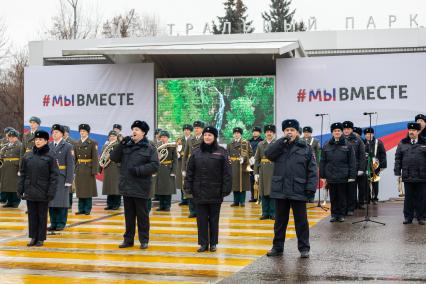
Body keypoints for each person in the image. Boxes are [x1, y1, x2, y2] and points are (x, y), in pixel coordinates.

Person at [265, 119, 317, 259]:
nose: (289, 132)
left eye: (292, 130)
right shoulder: (279, 146)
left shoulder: (305, 147)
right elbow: (268, 155)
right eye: (287, 130)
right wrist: (280, 143)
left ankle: (304, 248)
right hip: (280, 189)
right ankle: (277, 247)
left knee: (301, 221)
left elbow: (312, 170)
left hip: (298, 189)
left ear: (297, 132)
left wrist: (311, 189)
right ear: (283, 132)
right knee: (280, 222)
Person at [110, 120, 159, 249]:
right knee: (129, 215)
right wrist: (121, 144)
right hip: (126, 185)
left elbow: (154, 166)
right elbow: (114, 158)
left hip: (141, 186)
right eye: (133, 129)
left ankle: (144, 240)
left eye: (137, 129)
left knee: (142, 215)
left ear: (143, 133)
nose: (134, 131)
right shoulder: (126, 145)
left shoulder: (150, 147)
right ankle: (128, 240)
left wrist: (138, 170)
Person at [185, 126, 232, 252]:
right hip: (198, 191)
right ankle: (203, 243)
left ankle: (213, 243)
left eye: (210, 135)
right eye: (205, 135)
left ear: (214, 137)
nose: (207, 137)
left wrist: (226, 188)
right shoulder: (196, 152)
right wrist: (188, 187)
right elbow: (190, 171)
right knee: (201, 219)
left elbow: (227, 172)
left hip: (216, 191)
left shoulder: (221, 152)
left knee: (214, 218)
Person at [18, 130, 58, 247]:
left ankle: (40, 238)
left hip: (43, 190)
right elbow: (23, 173)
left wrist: (51, 191)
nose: (38, 141)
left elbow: (54, 176)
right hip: (30, 189)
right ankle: (33, 237)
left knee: (42, 215)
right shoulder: (28, 155)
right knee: (32, 215)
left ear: (46, 141)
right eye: (36, 139)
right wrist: (20, 188)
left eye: (40, 140)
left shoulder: (50, 156)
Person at [320, 122, 357, 222]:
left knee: (342, 196)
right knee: (333, 196)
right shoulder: (326, 145)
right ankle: (334, 214)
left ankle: (341, 215)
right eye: (335, 131)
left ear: (341, 132)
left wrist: (352, 176)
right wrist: (322, 175)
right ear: (332, 132)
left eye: (338, 131)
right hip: (330, 175)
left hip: (343, 175)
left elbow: (352, 162)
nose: (337, 132)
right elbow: (322, 161)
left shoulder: (348, 145)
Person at [394, 122, 426, 225]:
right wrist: (397, 172)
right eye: (410, 130)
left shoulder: (424, 142)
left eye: (413, 130)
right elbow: (398, 158)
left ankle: (421, 217)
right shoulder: (402, 143)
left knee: (421, 197)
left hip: (422, 175)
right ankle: (408, 217)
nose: (411, 132)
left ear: (418, 131)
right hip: (407, 175)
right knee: (408, 198)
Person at [48, 124, 74, 231]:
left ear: (62, 134)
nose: (54, 134)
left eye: (56, 132)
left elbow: (71, 164)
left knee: (61, 201)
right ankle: (53, 223)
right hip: (50, 177)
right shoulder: (49, 145)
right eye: (53, 132)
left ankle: (61, 223)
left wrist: (69, 180)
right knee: (51, 201)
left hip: (62, 177)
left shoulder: (67, 146)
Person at [182, 121, 205, 218]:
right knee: (189, 189)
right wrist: (183, 168)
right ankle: (192, 211)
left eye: (198, 128)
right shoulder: (189, 140)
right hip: (191, 167)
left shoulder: (206, 139)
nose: (196, 129)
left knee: (200, 189)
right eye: (195, 128)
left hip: (202, 167)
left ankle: (200, 211)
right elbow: (185, 155)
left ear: (202, 129)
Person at [74, 124, 98, 215]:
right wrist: (74, 169)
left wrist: (94, 170)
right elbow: (75, 158)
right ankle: (81, 209)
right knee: (80, 190)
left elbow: (95, 158)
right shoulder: (77, 143)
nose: (82, 133)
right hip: (79, 168)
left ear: (88, 132)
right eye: (80, 131)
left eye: (84, 131)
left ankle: (87, 209)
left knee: (88, 190)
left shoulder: (92, 143)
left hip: (88, 168)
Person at [342, 121, 366, 214]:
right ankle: (343, 207)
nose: (346, 130)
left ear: (351, 129)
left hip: (353, 168)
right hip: (342, 169)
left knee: (352, 189)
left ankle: (350, 208)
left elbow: (362, 156)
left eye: (348, 129)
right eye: (344, 129)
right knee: (343, 190)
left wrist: (361, 169)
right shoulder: (339, 138)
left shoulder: (357, 140)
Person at [254, 124, 276, 220]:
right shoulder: (260, 144)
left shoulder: (277, 143)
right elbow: (257, 159)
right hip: (263, 171)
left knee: (272, 192)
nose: (269, 133)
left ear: (274, 133)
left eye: (271, 132)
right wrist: (256, 173)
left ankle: (273, 213)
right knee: (263, 192)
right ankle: (265, 213)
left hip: (274, 170)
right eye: (267, 132)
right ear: (265, 133)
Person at [227, 127, 253, 207]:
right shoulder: (230, 143)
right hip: (233, 166)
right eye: (235, 133)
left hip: (243, 165)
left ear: (240, 134)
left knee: (242, 183)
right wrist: (228, 158)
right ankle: (236, 201)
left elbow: (251, 153)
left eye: (238, 133)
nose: (236, 134)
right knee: (235, 184)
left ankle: (242, 201)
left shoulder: (245, 143)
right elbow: (227, 153)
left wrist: (244, 158)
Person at [363, 127, 387, 205]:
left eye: (369, 134)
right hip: (365, 166)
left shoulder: (378, 142)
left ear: (373, 134)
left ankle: (375, 198)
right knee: (366, 183)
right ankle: (367, 198)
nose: (368, 135)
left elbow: (383, 154)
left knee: (375, 182)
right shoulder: (362, 143)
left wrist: (382, 166)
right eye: (366, 134)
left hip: (375, 165)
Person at [155, 130, 177, 211]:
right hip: (159, 169)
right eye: (161, 137)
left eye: (165, 137)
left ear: (168, 138)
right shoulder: (157, 145)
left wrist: (174, 171)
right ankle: (161, 205)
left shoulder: (171, 146)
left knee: (168, 188)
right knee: (160, 188)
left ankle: (167, 205)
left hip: (168, 169)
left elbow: (175, 160)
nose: (163, 139)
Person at [0, 129, 22, 208]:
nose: (11, 138)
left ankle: (15, 202)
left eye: (13, 137)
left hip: (14, 168)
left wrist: (20, 169)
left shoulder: (20, 145)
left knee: (15, 186)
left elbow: (22, 158)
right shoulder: (6, 145)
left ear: (16, 137)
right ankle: (9, 202)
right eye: (10, 137)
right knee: (7, 185)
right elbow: (2, 156)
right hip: (5, 168)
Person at [100, 130, 121, 210]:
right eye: (110, 136)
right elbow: (102, 158)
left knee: (116, 187)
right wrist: (100, 168)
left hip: (116, 168)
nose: (112, 137)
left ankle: (116, 204)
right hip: (107, 168)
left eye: (114, 136)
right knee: (109, 186)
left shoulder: (119, 145)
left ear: (116, 137)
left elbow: (123, 157)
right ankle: (110, 204)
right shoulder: (105, 146)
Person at [177, 124, 193, 206]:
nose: (186, 131)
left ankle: (190, 199)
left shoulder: (192, 139)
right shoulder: (180, 140)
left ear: (190, 131)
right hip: (181, 163)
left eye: (188, 130)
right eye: (185, 130)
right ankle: (183, 199)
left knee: (189, 180)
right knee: (181, 181)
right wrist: (178, 154)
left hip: (190, 162)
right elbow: (177, 150)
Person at [248, 126, 263, 202]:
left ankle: (260, 197)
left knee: (259, 180)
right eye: (253, 131)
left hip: (259, 163)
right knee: (252, 180)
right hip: (251, 163)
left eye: (256, 131)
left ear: (259, 133)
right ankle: (253, 196)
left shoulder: (262, 141)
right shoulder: (248, 141)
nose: (254, 132)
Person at [63, 125, 76, 210]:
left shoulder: (72, 142)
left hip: (69, 166)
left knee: (70, 187)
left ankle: (69, 203)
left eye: (64, 131)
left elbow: (74, 156)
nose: (63, 133)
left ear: (67, 132)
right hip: (60, 167)